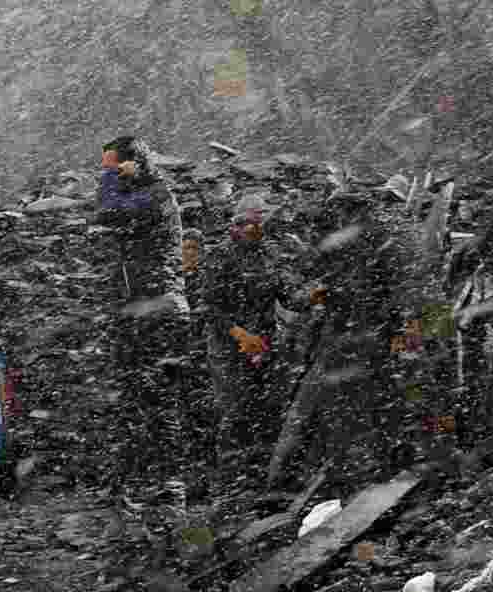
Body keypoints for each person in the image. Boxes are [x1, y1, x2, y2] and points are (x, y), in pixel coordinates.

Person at [96, 136, 193, 506]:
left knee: (158, 397)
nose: (108, 172)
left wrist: (108, 176)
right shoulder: (139, 196)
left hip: (159, 309)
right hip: (139, 307)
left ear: (133, 162)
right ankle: (143, 484)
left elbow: (106, 210)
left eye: (113, 164)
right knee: (136, 397)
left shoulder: (156, 195)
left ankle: (171, 485)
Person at [203, 209, 327, 490]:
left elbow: (289, 298)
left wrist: (316, 295)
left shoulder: (267, 256)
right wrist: (240, 334)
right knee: (235, 410)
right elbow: (210, 307)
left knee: (265, 409)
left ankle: (258, 475)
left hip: (264, 345)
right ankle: (228, 480)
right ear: (236, 228)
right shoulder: (220, 257)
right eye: (249, 226)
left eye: (259, 226)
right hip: (228, 347)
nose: (255, 231)